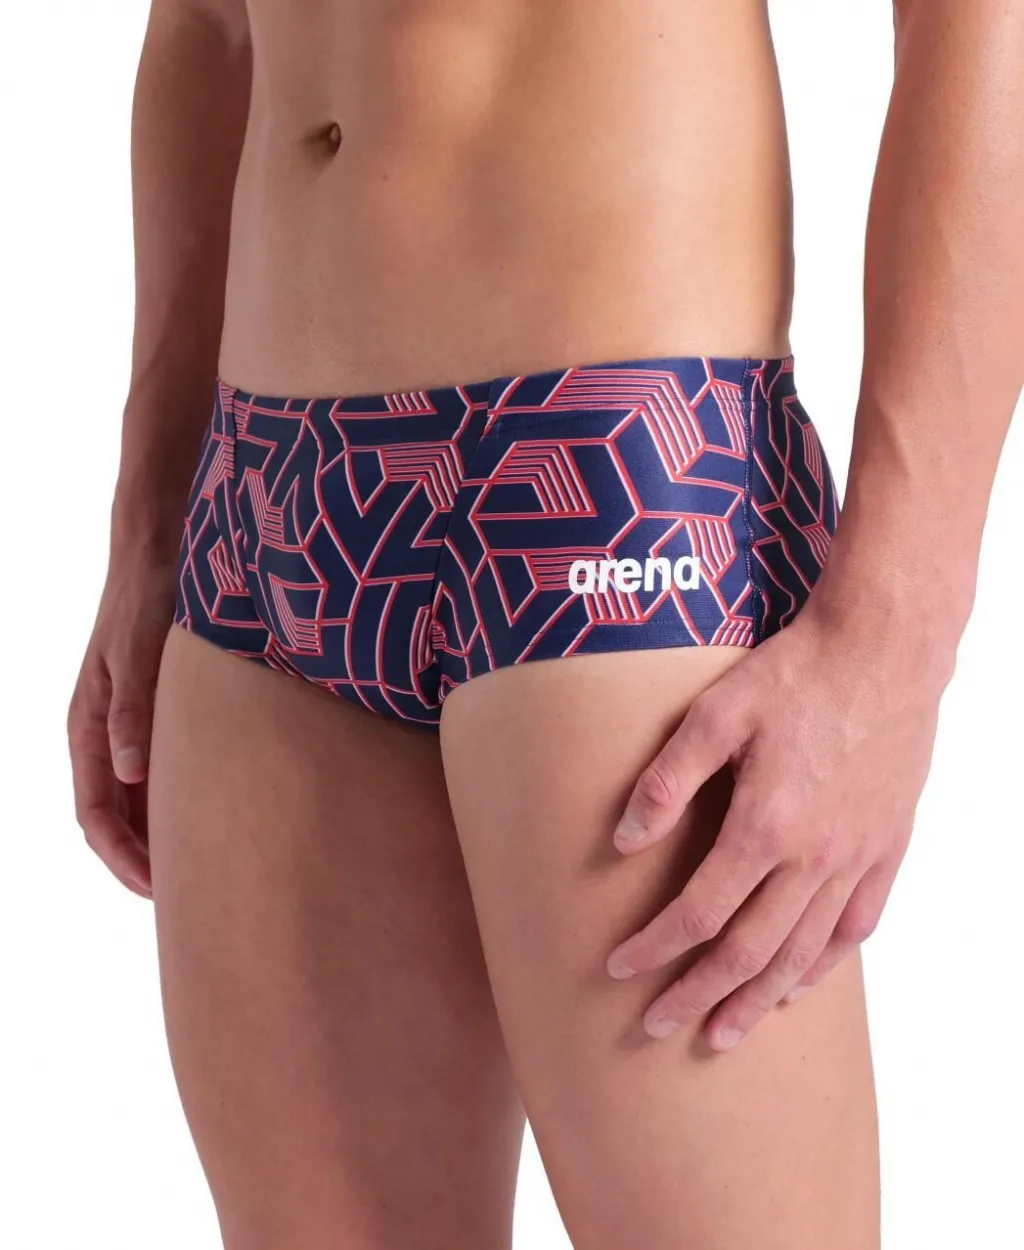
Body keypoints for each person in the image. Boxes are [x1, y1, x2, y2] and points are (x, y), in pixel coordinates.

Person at [66, 1, 1023, 1247]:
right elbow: (204, 24)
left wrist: (896, 633)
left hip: (607, 470)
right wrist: (149, 513)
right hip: (265, 505)